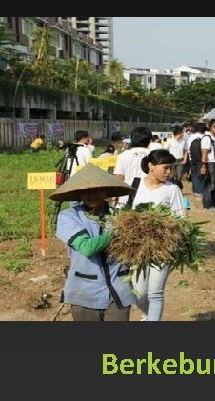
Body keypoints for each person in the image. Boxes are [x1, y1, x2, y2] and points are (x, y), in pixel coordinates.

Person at [49, 163, 137, 321]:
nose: (92, 195)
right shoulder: (69, 217)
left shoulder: (121, 216)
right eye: (86, 192)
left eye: (97, 190)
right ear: (79, 194)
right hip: (85, 293)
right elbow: (87, 248)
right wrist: (117, 229)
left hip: (119, 291)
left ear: (107, 191)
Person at [131, 150, 186, 321]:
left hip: (163, 247)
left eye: (171, 168)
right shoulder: (133, 185)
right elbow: (122, 212)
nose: (169, 172)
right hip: (136, 247)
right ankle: (148, 314)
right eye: (166, 168)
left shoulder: (173, 189)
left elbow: (180, 218)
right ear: (151, 166)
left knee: (155, 293)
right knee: (138, 293)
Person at [113, 126, 152, 208]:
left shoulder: (122, 156)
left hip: (126, 197)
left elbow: (118, 178)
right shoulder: (153, 155)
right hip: (148, 198)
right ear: (149, 140)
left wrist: (115, 197)